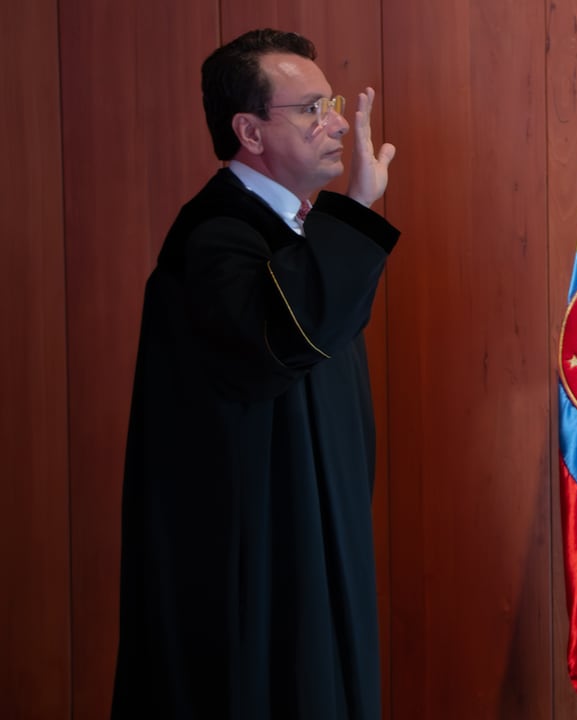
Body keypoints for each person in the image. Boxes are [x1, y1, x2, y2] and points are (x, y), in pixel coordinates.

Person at [112, 28, 398, 719]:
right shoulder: (215, 238)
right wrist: (355, 212)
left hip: (310, 532)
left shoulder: (291, 230)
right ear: (249, 130)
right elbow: (276, 342)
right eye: (309, 109)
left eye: (328, 102)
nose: (333, 123)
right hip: (257, 555)